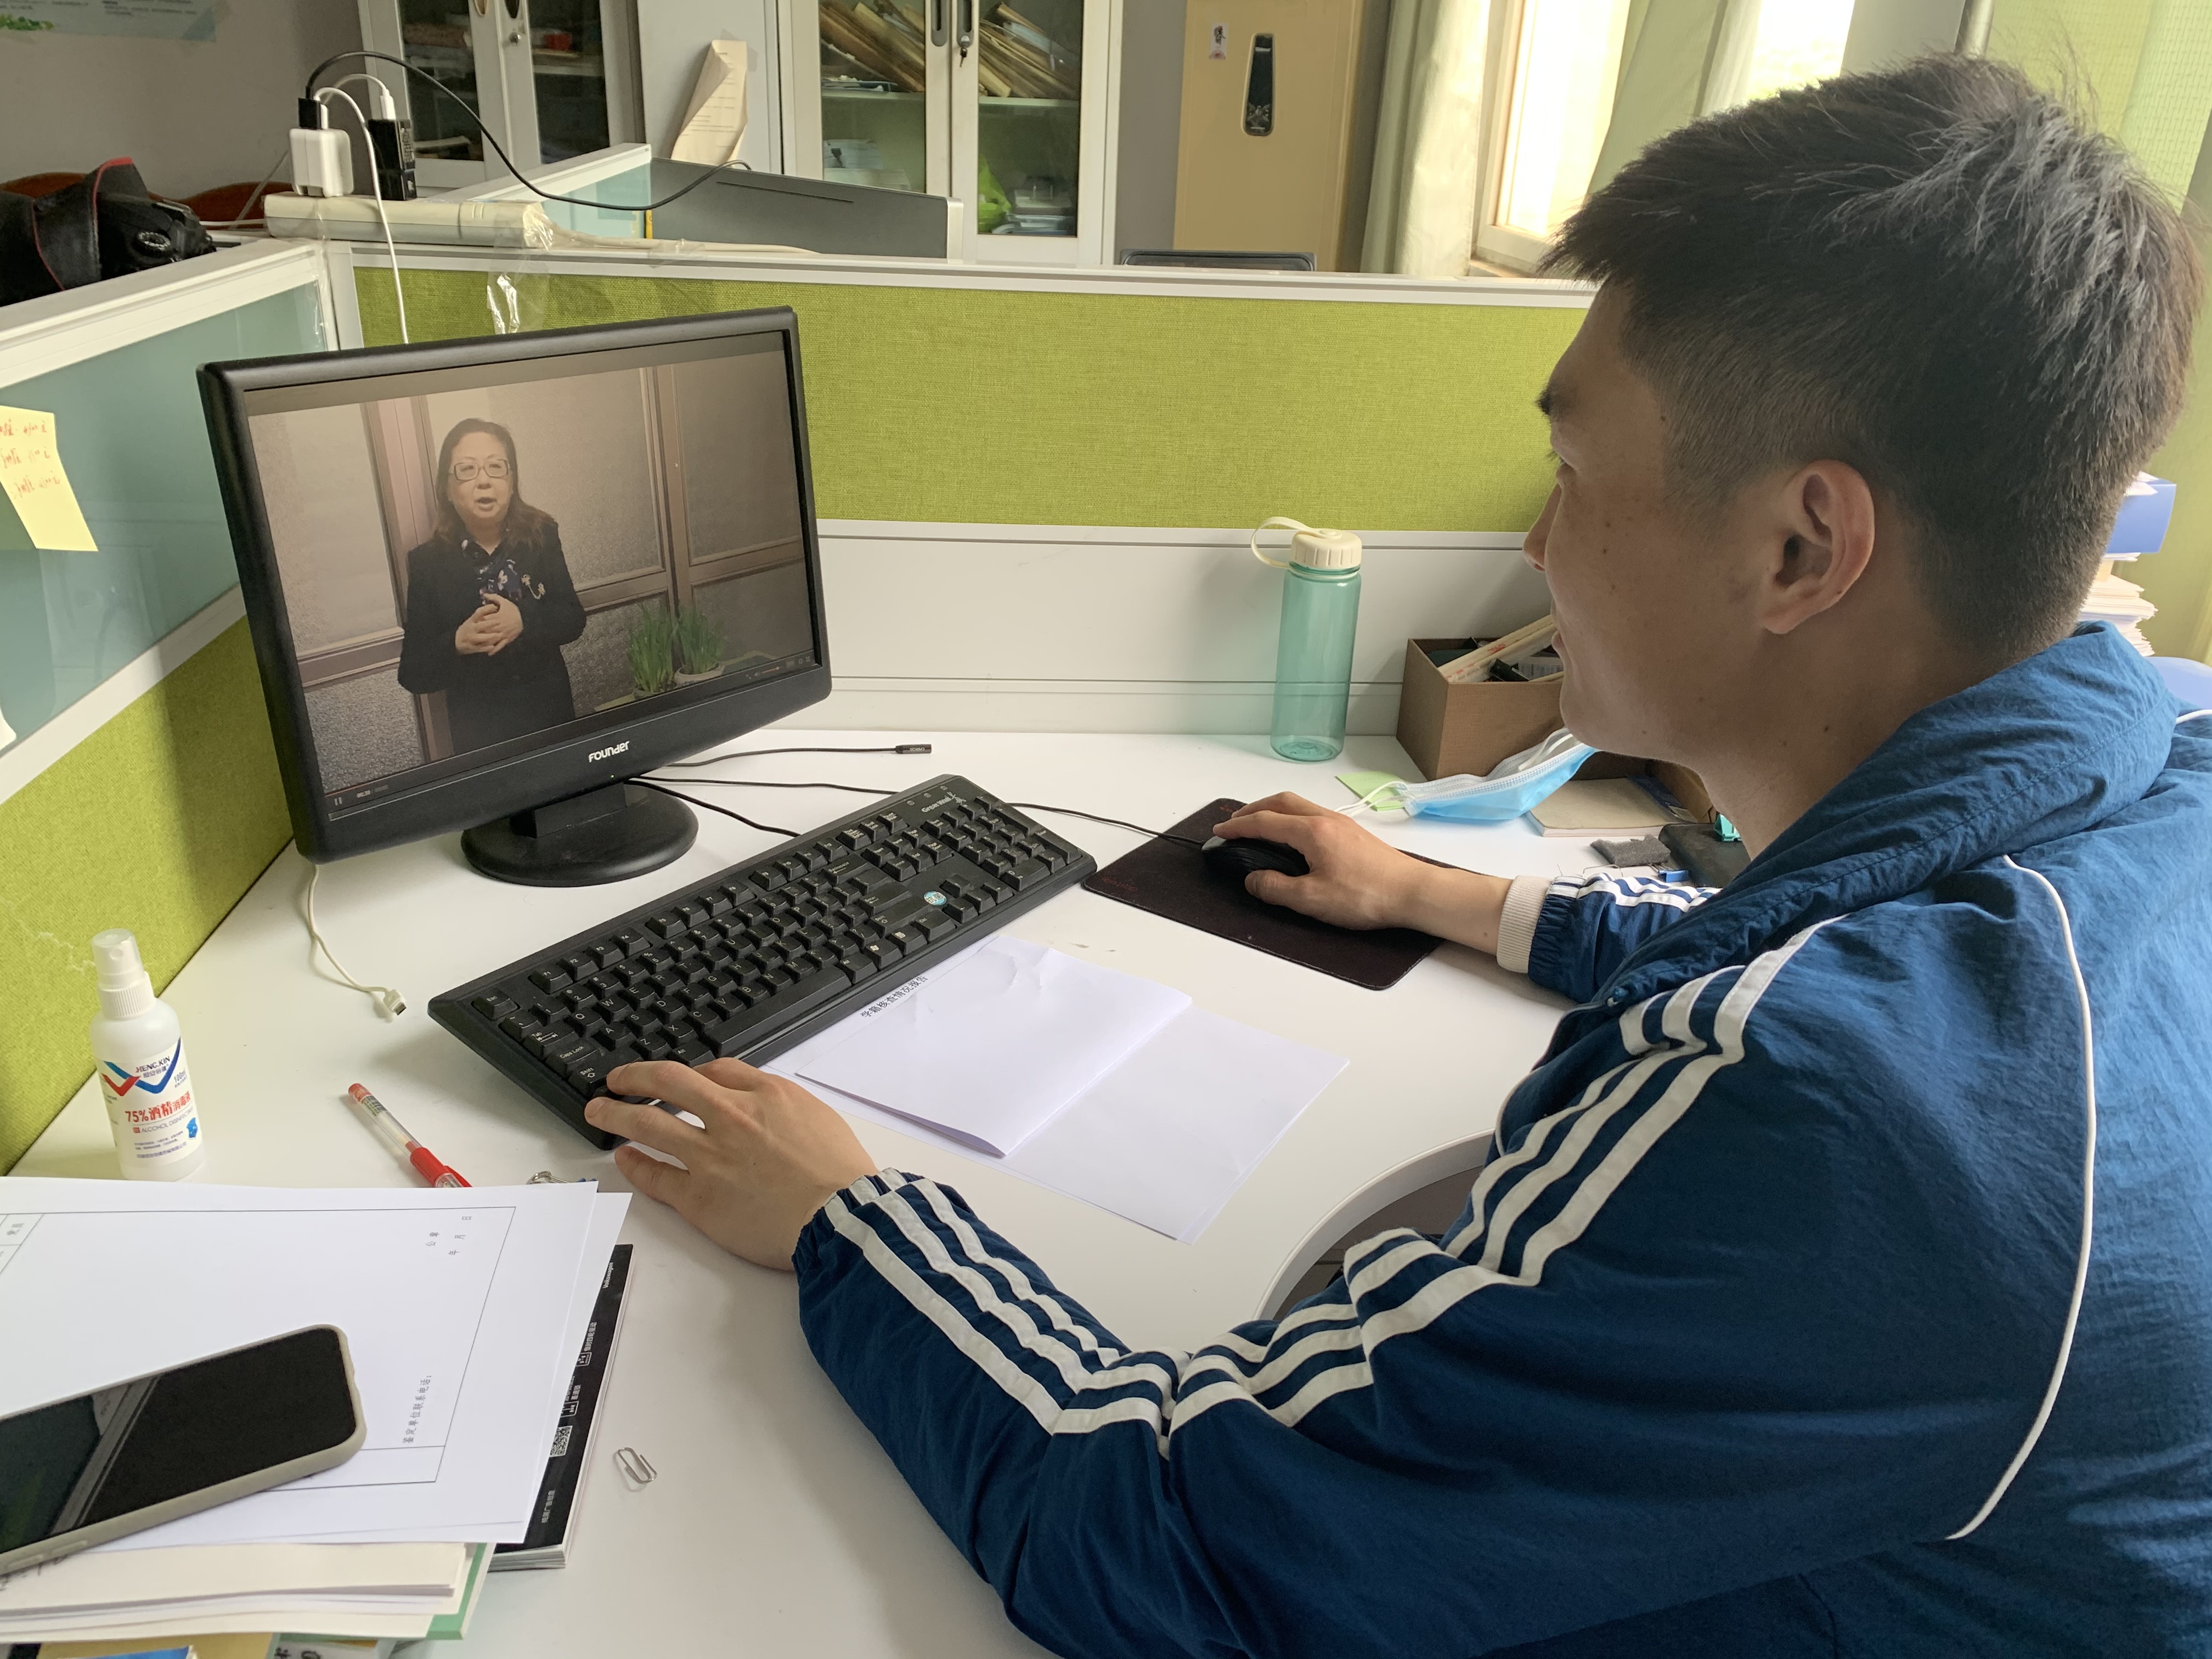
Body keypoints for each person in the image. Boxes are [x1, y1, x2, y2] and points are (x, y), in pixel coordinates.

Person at [581, 58, 2212, 1657]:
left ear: (1802, 549)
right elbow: (1801, 934)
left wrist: (848, 1221)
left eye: (1573, 474)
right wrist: (1441, 895)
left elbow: (1171, 1547)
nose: (1537, 543)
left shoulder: (1842, 1114)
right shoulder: (2153, 791)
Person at [396, 418, 586, 754]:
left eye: (496, 467)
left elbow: (572, 618)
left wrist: (523, 621)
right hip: (480, 736)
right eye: (467, 469)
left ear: (511, 482)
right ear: (448, 489)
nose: (484, 481)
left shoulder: (541, 536)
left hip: (549, 718)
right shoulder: (427, 563)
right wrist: (456, 643)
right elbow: (413, 672)